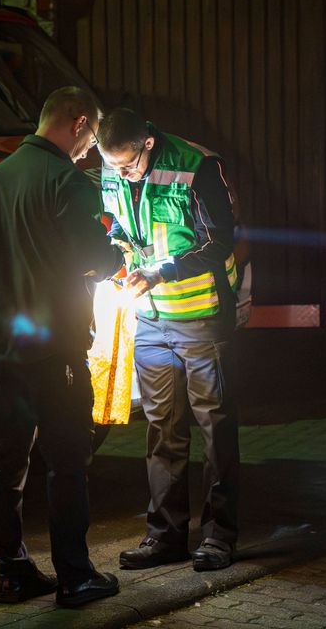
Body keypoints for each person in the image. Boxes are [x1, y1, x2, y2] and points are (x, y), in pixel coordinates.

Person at [0, 86, 124, 606]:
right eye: (92, 136)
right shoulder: (68, 180)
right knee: (67, 460)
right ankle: (75, 576)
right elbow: (91, 255)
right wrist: (117, 257)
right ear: (79, 123)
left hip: (0, 345)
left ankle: (12, 572)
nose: (90, 149)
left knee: (4, 461)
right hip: (55, 347)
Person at [96, 108, 242, 572]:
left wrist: (160, 272)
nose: (120, 174)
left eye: (127, 165)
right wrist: (118, 254)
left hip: (201, 318)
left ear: (148, 143)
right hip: (150, 319)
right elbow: (118, 225)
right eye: (113, 167)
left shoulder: (197, 166)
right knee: (162, 430)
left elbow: (219, 241)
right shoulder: (112, 166)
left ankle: (219, 537)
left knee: (215, 428)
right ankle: (165, 536)